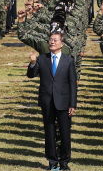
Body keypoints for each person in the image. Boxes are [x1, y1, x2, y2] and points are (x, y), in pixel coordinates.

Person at [27, 30, 77, 171]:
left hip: (63, 101)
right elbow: (31, 75)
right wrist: (32, 63)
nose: (52, 42)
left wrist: (73, 103)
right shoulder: (42, 59)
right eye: (50, 39)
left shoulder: (68, 61)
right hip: (47, 101)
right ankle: (52, 161)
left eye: (55, 40)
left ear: (62, 43)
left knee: (65, 133)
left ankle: (64, 162)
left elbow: (73, 83)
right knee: (49, 133)